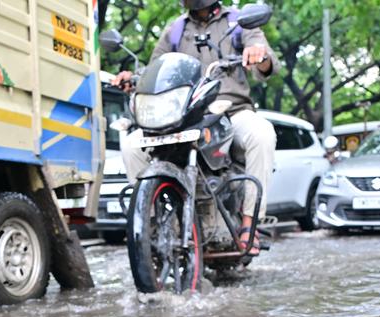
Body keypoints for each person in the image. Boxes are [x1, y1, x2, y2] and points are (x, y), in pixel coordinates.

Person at [113, 0, 277, 254]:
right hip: (184, 115)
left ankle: (249, 223)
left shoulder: (237, 21)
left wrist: (259, 54)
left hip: (231, 110)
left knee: (262, 134)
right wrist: (135, 78)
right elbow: (156, 68)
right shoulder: (176, 29)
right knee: (133, 145)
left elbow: (265, 59)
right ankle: (152, 225)